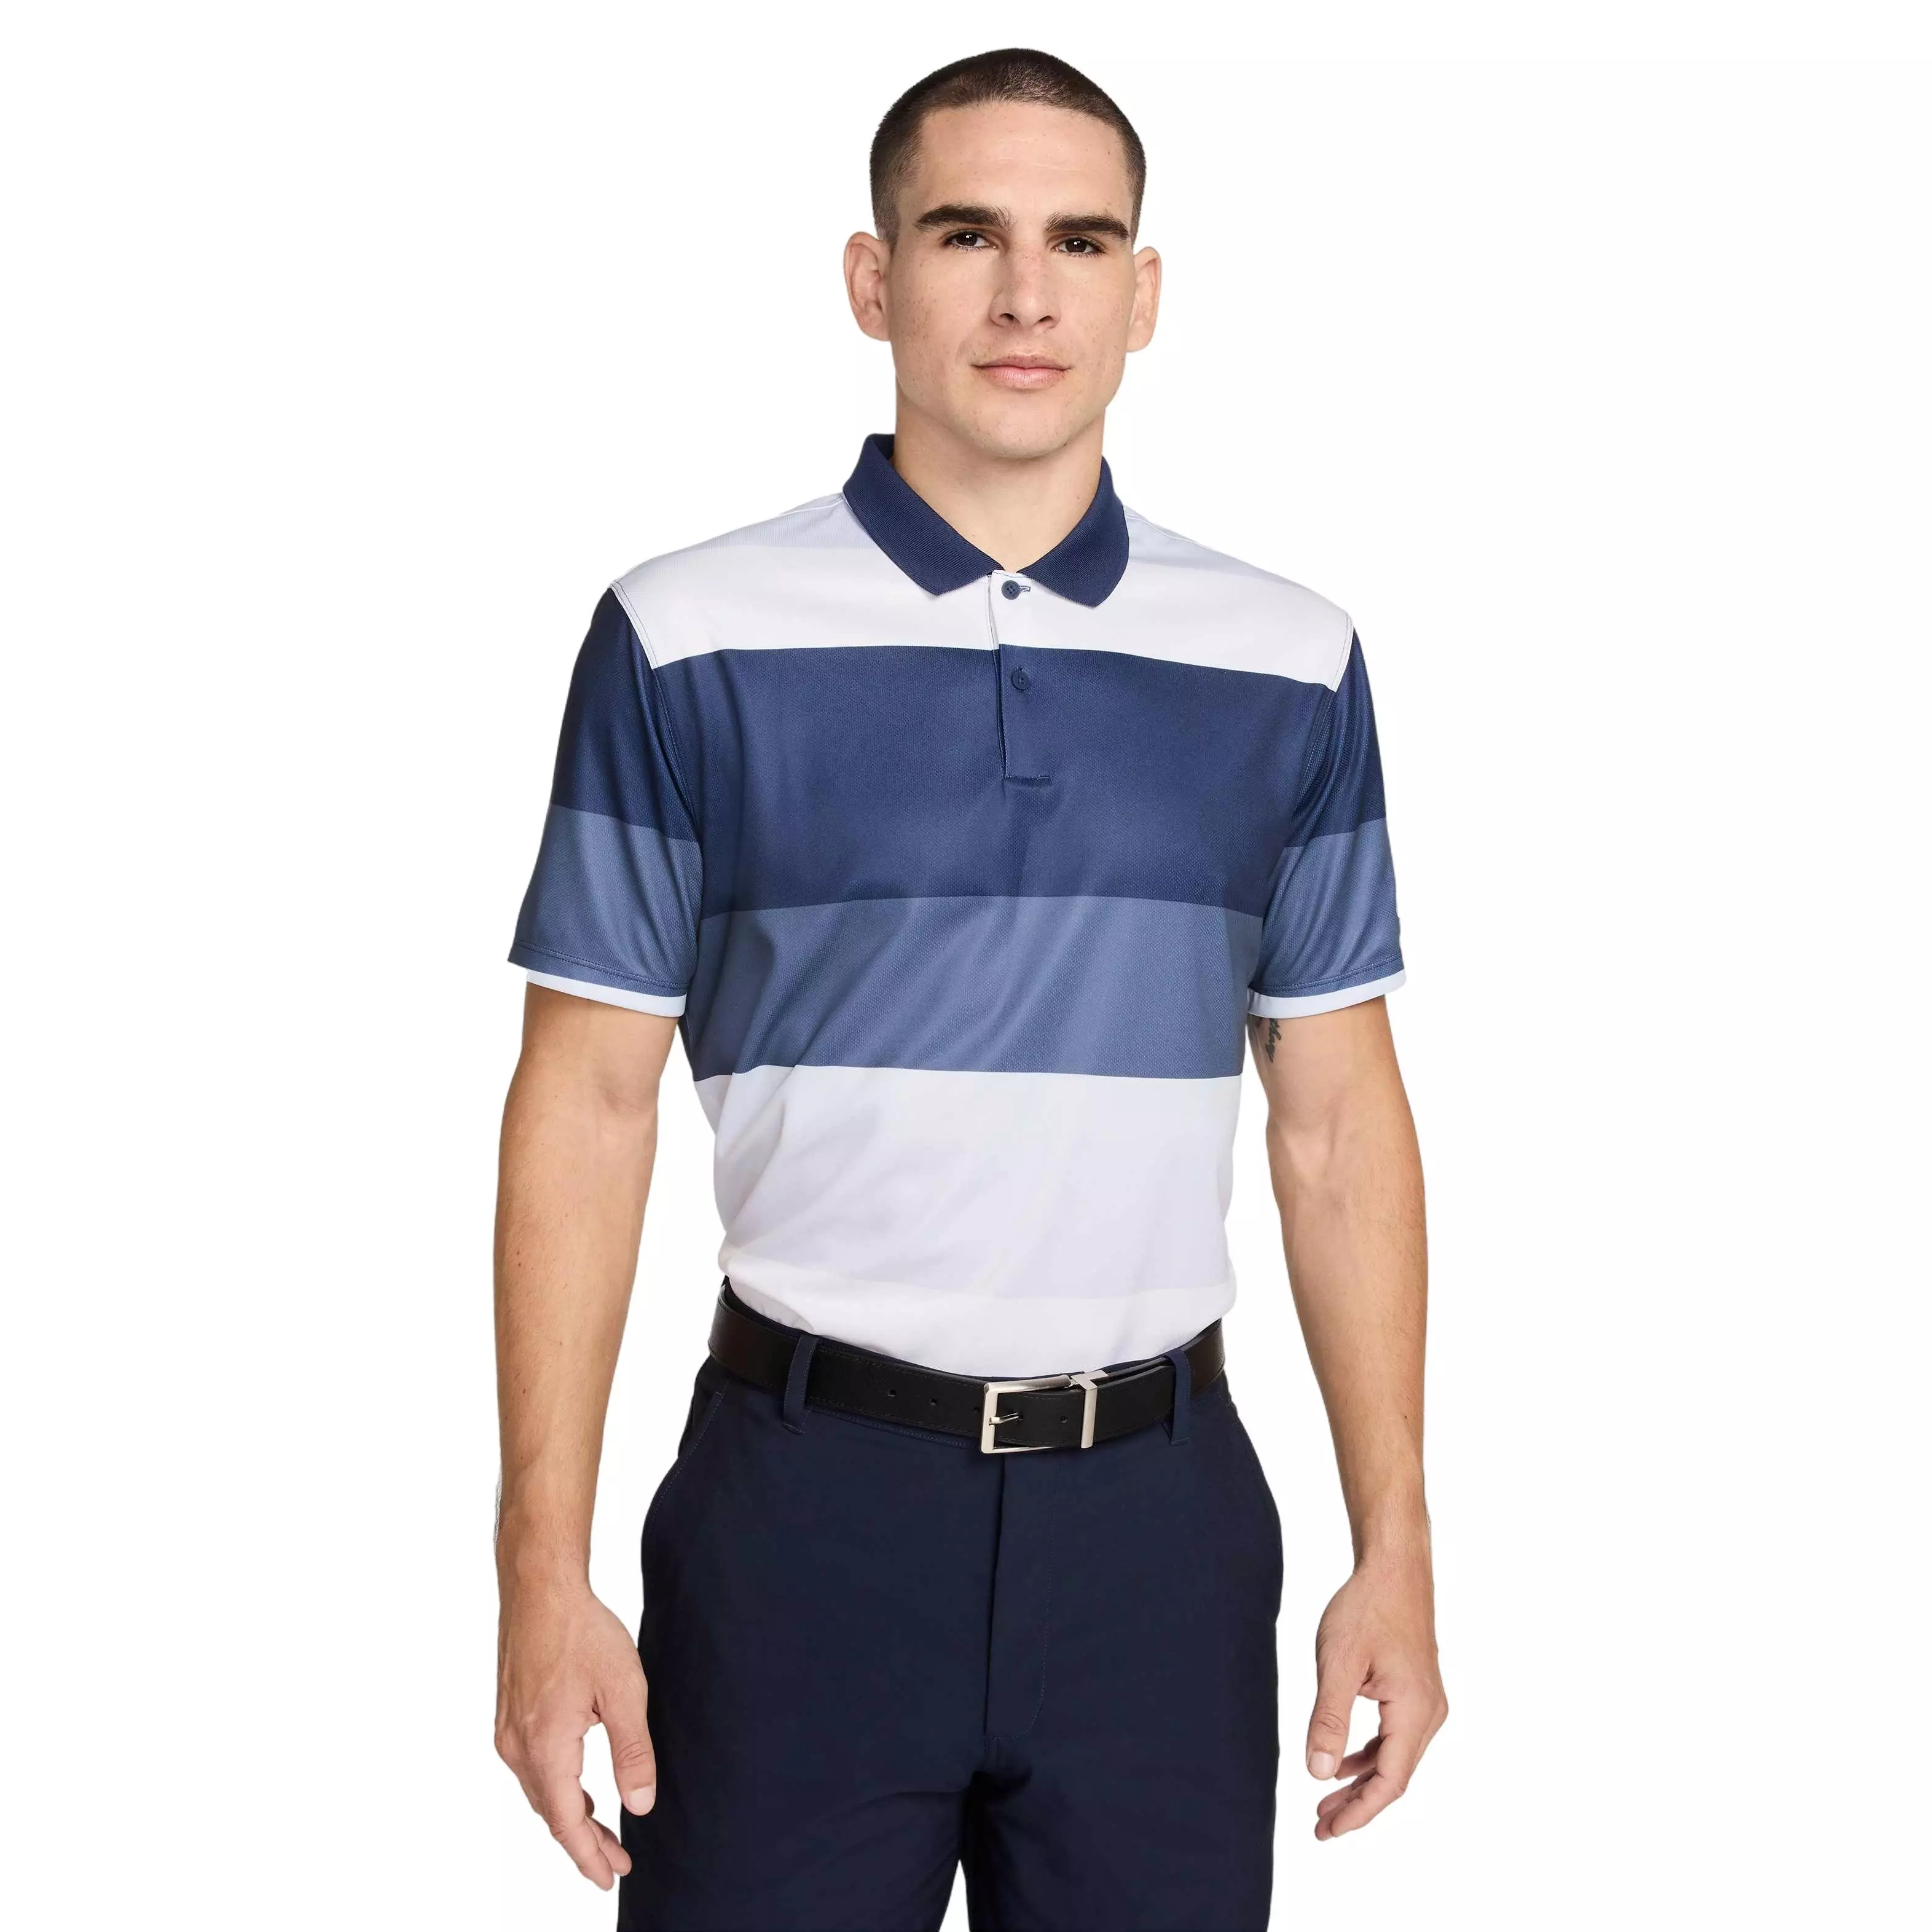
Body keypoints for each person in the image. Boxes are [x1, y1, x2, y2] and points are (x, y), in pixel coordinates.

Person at [492, 46, 1446, 1931]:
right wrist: (540, 1565)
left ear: (1144, 294)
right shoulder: (682, 637)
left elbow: (1339, 1127)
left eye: (1080, 242)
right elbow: (584, 1109)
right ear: (873, 279)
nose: (1027, 295)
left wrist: (1396, 1543)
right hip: (804, 1514)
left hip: (1161, 1535)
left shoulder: (1291, 659)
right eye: (965, 235)